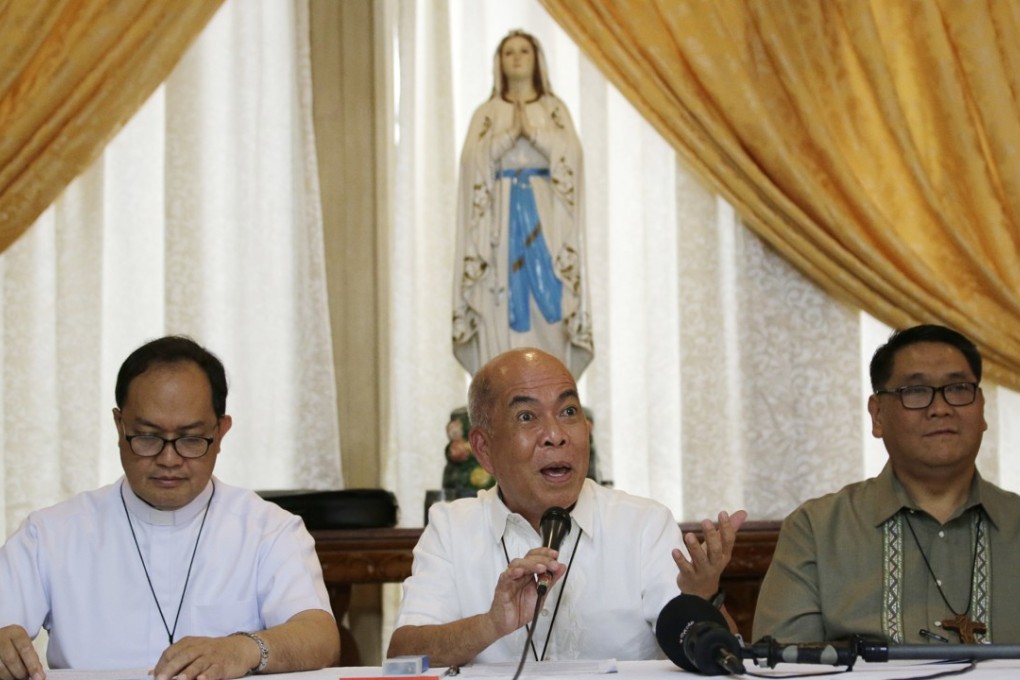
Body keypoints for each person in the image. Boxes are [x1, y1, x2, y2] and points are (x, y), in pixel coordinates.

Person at [0, 336, 340, 680]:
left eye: (191, 439)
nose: (168, 459)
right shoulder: (49, 534)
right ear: (120, 427)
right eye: (147, 437)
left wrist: (242, 648)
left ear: (221, 432)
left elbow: (319, 636)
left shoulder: (269, 530)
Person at [387, 347, 746, 666]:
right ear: (483, 449)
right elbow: (403, 654)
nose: (556, 434)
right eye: (527, 416)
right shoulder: (451, 528)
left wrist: (704, 596)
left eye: (568, 411)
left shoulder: (644, 525)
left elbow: (722, 661)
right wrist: (491, 624)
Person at [753, 324, 1020, 645]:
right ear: (877, 415)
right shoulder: (818, 529)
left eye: (958, 388)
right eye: (916, 392)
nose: (940, 408)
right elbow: (783, 666)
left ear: (982, 409)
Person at [452, 30, 593, 379]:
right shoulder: (486, 114)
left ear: (536, 59)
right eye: (508, 52)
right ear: (498, 62)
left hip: (544, 217)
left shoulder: (554, 111)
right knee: (496, 302)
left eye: (524, 51)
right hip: (499, 225)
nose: (516, 58)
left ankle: (549, 381)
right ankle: (502, 388)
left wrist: (535, 135)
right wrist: (506, 139)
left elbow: (571, 156)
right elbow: (472, 161)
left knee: (550, 304)